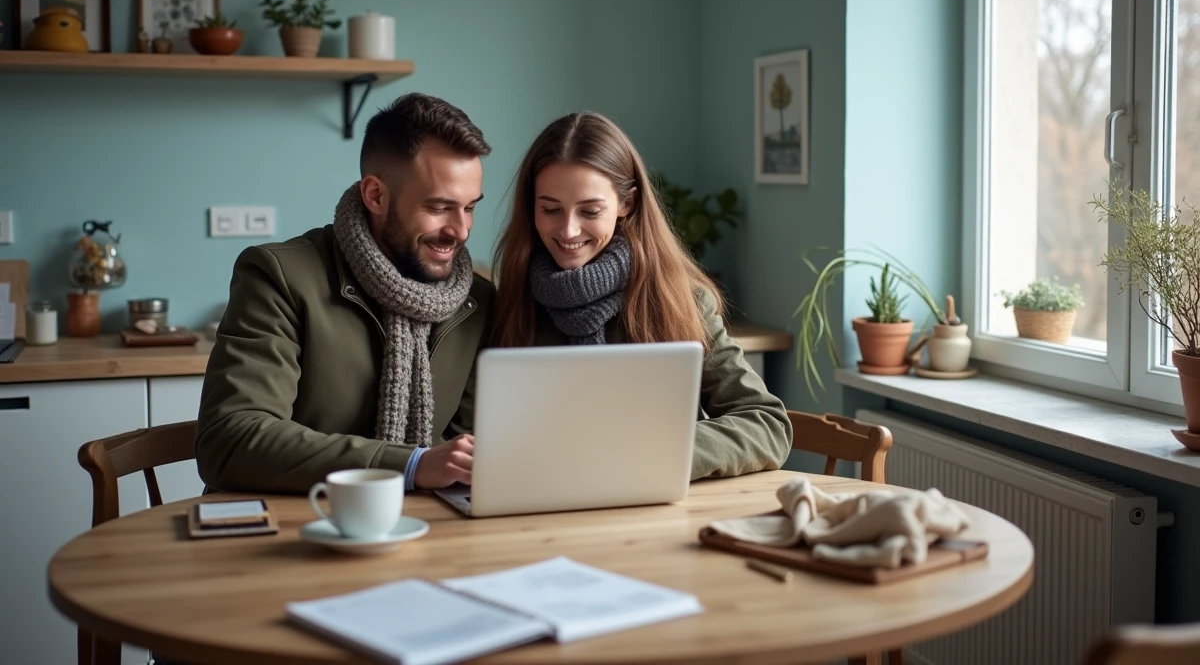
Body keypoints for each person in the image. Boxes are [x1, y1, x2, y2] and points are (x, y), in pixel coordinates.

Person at [196, 93, 493, 494]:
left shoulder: (477, 301)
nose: (461, 230)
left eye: (469, 207)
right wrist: (410, 463)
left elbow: (467, 455)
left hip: (424, 532)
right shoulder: (279, 276)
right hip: (289, 531)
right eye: (440, 207)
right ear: (376, 195)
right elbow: (231, 441)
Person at [491, 112, 792, 480]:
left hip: (655, 509)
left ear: (627, 205)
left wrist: (648, 453)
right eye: (550, 209)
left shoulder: (681, 300)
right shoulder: (508, 301)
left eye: (590, 211)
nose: (568, 229)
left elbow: (767, 425)